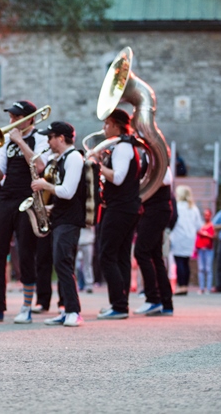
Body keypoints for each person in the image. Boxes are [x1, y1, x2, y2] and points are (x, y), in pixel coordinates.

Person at [0, 100, 48, 324]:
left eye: (16, 118)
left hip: (28, 197)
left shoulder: (40, 138)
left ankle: (26, 306)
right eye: (11, 117)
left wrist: (20, 141)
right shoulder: (5, 141)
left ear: (30, 119)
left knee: (26, 254)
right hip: (6, 197)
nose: (12, 122)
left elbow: (40, 167)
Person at [28, 121, 85, 327]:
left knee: (63, 262)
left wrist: (45, 185)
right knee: (59, 263)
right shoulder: (61, 159)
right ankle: (66, 309)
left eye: (51, 137)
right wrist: (48, 209)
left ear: (61, 138)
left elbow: (68, 192)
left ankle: (73, 311)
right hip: (61, 218)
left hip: (70, 220)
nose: (48, 141)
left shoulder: (74, 158)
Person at [94, 109, 142, 320]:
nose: (104, 128)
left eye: (107, 124)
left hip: (120, 208)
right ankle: (120, 304)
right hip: (126, 207)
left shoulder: (123, 148)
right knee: (121, 255)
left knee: (106, 255)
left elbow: (119, 178)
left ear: (116, 125)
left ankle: (119, 305)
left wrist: (98, 166)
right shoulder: (124, 147)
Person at [133, 166, 175, 315]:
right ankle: (166, 302)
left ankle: (153, 299)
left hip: (156, 211)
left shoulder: (158, 160)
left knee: (141, 252)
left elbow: (166, 179)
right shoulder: (151, 159)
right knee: (156, 257)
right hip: (155, 210)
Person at [170, 185, 203, 296]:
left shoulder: (177, 207)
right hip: (190, 237)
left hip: (178, 236)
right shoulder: (193, 208)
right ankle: (185, 286)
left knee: (179, 261)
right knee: (185, 261)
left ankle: (181, 286)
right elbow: (199, 225)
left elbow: (172, 221)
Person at [195, 208, 215, 295]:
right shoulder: (201, 225)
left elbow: (214, 236)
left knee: (208, 269)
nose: (206, 216)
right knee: (201, 269)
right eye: (205, 215)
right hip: (200, 249)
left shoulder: (212, 225)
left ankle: (209, 288)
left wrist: (205, 234)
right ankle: (201, 287)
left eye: (208, 215)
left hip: (208, 249)